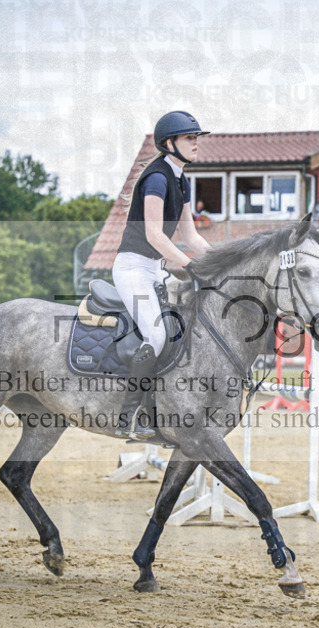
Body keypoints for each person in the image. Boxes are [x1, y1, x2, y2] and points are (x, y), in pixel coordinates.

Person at [113, 111, 212, 439]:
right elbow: (154, 235)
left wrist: (218, 262)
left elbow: (191, 236)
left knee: (185, 329)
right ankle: (128, 417)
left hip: (156, 270)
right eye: (189, 138)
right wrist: (189, 265)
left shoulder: (182, 180)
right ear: (170, 143)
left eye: (196, 138)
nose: (196, 143)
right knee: (156, 336)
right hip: (132, 268)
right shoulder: (157, 178)